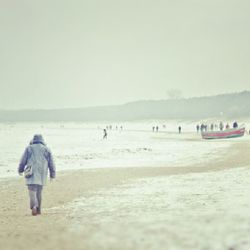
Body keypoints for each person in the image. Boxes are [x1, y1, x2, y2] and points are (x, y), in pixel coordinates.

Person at [18, 134, 56, 216]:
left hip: (31, 172)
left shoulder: (29, 148)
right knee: (39, 192)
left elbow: (23, 160)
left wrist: (20, 170)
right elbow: (51, 163)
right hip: (42, 174)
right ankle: (39, 210)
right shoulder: (47, 149)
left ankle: (34, 207)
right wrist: (52, 175)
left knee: (32, 191)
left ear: (33, 140)